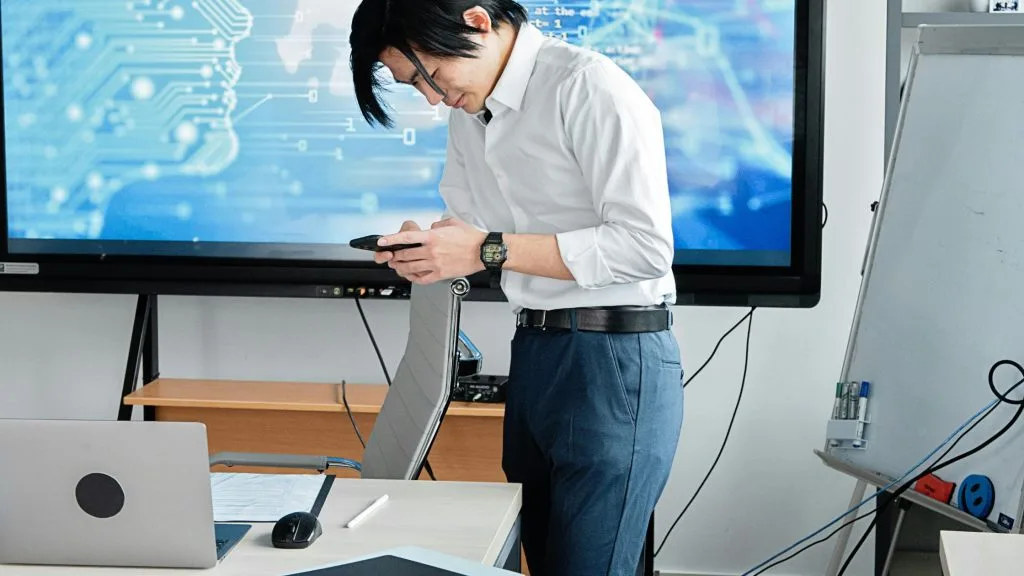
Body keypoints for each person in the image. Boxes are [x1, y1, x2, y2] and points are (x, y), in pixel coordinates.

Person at [349, 2, 683, 574]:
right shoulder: (468, 116)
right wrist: (427, 251)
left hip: (614, 361)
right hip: (536, 352)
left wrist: (483, 249)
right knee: (543, 561)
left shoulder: (586, 85)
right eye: (414, 86)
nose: (431, 97)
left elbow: (643, 247)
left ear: (477, 21)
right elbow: (470, 231)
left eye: (428, 73)